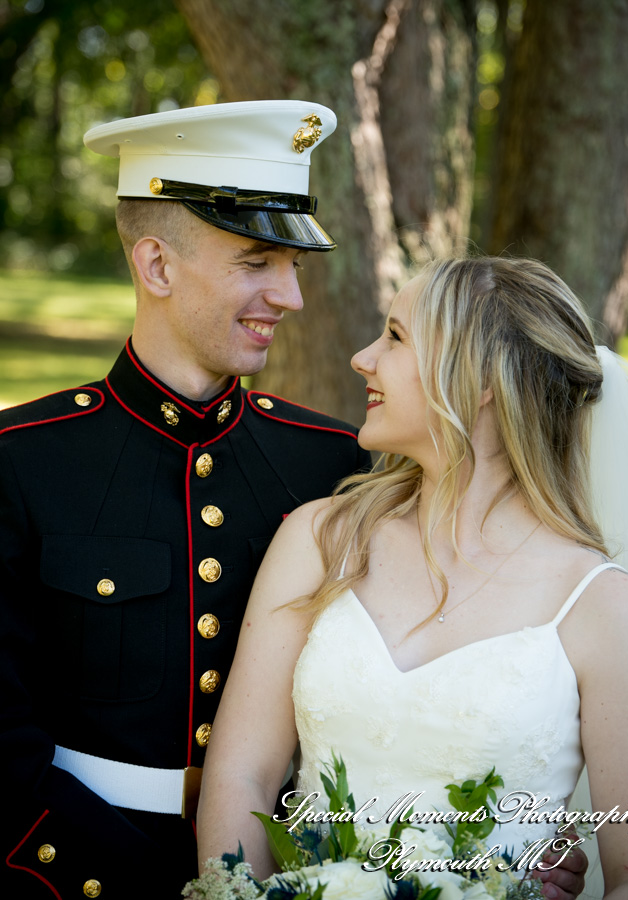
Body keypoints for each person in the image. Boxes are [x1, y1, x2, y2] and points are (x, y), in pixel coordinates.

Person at [196, 255, 628, 900]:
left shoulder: (606, 609)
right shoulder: (321, 539)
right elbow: (240, 777)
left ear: (479, 379)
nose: (362, 358)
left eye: (395, 337)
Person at [0, 100, 373, 898]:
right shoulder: (20, 462)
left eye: (294, 267)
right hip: (72, 874)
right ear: (157, 266)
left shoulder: (337, 465)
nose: (291, 297)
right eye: (255, 263)